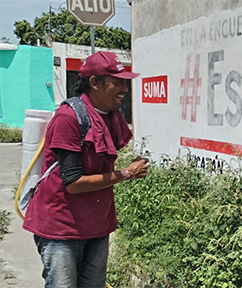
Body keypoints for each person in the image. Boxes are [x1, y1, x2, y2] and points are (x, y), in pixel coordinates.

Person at [22, 51, 149, 288]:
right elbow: (73, 182)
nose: (124, 89)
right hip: (60, 227)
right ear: (95, 83)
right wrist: (127, 173)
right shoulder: (68, 117)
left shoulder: (112, 115)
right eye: (118, 82)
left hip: (97, 224)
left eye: (125, 82)